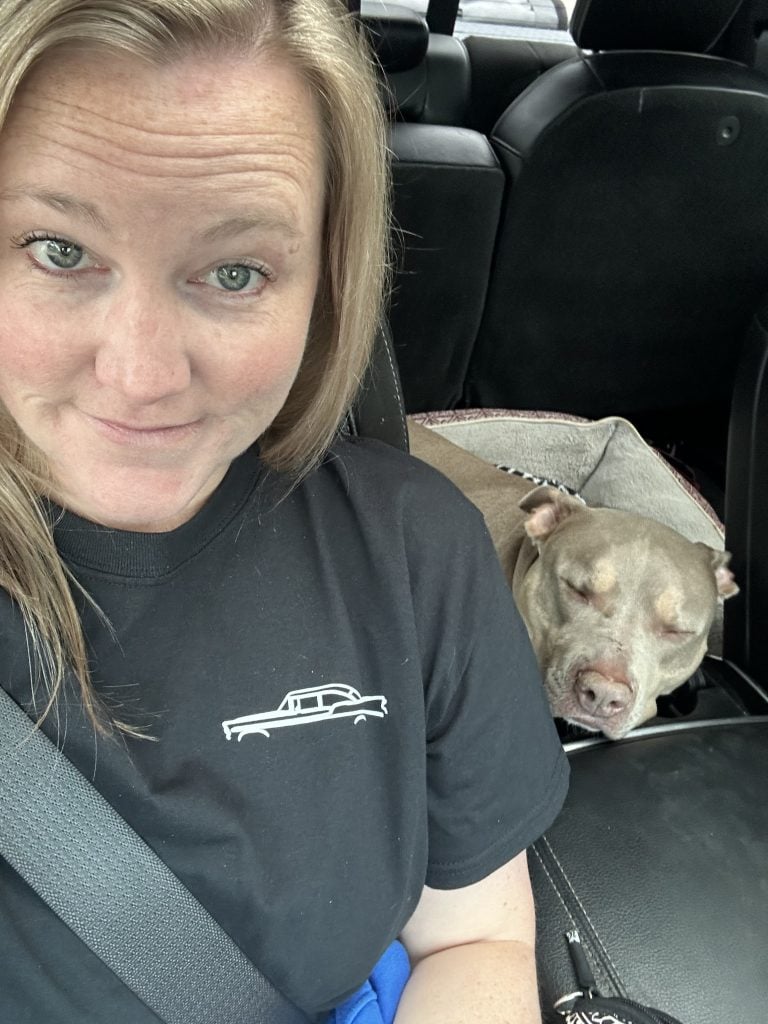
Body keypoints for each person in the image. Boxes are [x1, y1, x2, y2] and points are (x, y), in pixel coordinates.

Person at [0, 1, 569, 1021]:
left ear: (326, 284)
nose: (141, 374)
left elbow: (476, 934)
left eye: (234, 271)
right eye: (57, 250)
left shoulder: (414, 550)